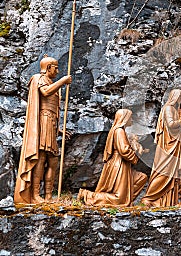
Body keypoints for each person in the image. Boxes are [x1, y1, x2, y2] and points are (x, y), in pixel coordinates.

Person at [14, 54, 72, 204]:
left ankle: (48, 196)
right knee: (41, 158)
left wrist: (58, 130)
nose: (57, 71)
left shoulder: (51, 82)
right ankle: (35, 195)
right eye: (56, 67)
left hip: (51, 123)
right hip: (43, 120)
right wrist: (62, 81)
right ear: (48, 68)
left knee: (53, 160)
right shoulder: (38, 79)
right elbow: (45, 93)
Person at [77, 109, 148, 206]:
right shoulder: (119, 131)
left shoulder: (120, 130)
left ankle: (127, 200)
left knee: (141, 178)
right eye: (130, 117)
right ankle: (87, 195)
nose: (131, 119)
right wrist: (136, 154)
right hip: (119, 164)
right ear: (125, 118)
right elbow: (124, 150)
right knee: (118, 198)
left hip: (122, 164)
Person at [141, 89, 181, 207]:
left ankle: (168, 201)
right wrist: (180, 121)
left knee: (173, 174)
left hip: (175, 144)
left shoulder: (176, 109)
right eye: (180, 97)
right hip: (167, 146)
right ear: (175, 97)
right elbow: (171, 124)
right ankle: (149, 197)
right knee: (164, 172)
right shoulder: (168, 109)